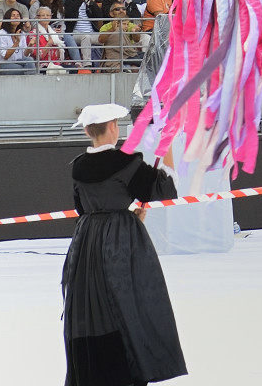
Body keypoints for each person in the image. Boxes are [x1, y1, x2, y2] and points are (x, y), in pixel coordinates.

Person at [62, 103, 187, 386]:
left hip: (87, 242)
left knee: (91, 306)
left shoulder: (79, 167)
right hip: (120, 242)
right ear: (114, 128)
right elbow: (165, 187)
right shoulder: (127, 162)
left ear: (86, 131)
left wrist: (118, 212)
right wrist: (166, 145)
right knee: (130, 302)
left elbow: (83, 207)